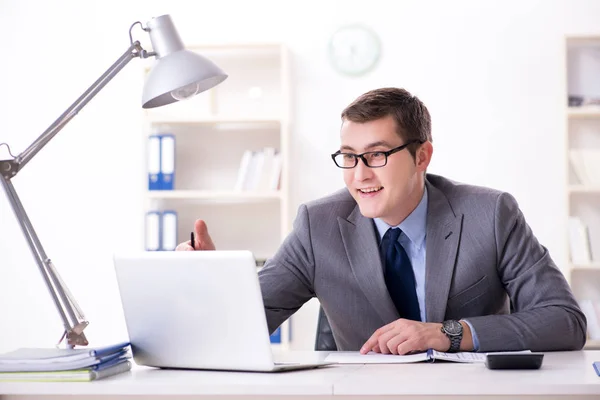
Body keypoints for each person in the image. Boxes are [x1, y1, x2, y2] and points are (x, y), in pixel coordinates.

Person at [176, 87, 586, 354]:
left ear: (422, 156)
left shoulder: (489, 214)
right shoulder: (318, 226)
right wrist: (211, 284)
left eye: (376, 155)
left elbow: (565, 322)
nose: (360, 175)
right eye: (349, 157)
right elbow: (235, 330)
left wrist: (450, 332)